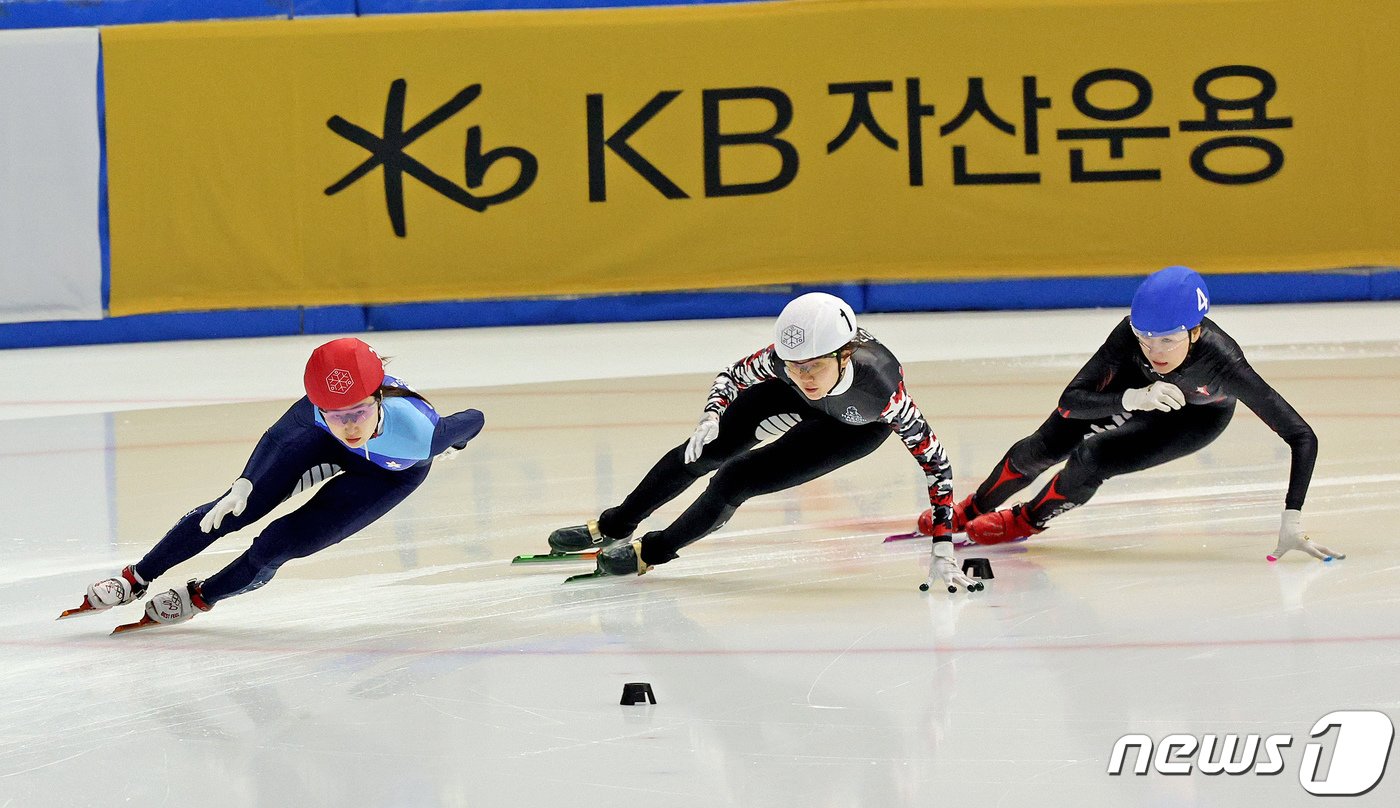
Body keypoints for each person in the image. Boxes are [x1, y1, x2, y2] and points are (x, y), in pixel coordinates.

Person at [543, 292, 980, 592]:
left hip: (850, 427)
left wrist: (942, 545)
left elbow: (937, 465)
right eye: (794, 365)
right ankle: (615, 524)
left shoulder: (882, 393)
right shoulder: (785, 365)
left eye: (813, 366)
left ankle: (652, 552)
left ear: (844, 355)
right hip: (788, 400)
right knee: (705, 451)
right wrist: (711, 415)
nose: (804, 375)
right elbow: (732, 376)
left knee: (736, 479)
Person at [916, 265, 1341, 563]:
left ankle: (1024, 520)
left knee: (1090, 459)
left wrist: (1292, 517)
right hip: (1133, 393)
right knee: (1045, 445)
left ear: (1195, 332)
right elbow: (1071, 400)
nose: (1154, 351)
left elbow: (1302, 436)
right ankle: (972, 508)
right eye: (1145, 339)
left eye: (1168, 341)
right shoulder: (1129, 337)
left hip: (1193, 419)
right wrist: (1131, 399)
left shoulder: (1225, 365)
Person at [61, 337, 485, 631]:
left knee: (280, 543)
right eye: (333, 413)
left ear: (376, 397)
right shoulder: (320, 409)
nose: (348, 425)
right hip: (322, 449)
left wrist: (455, 441)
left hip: (387, 474)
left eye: (356, 412)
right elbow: (278, 438)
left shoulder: (419, 434)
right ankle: (138, 577)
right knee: (227, 510)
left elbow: (474, 417)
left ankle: (202, 597)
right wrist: (245, 482)